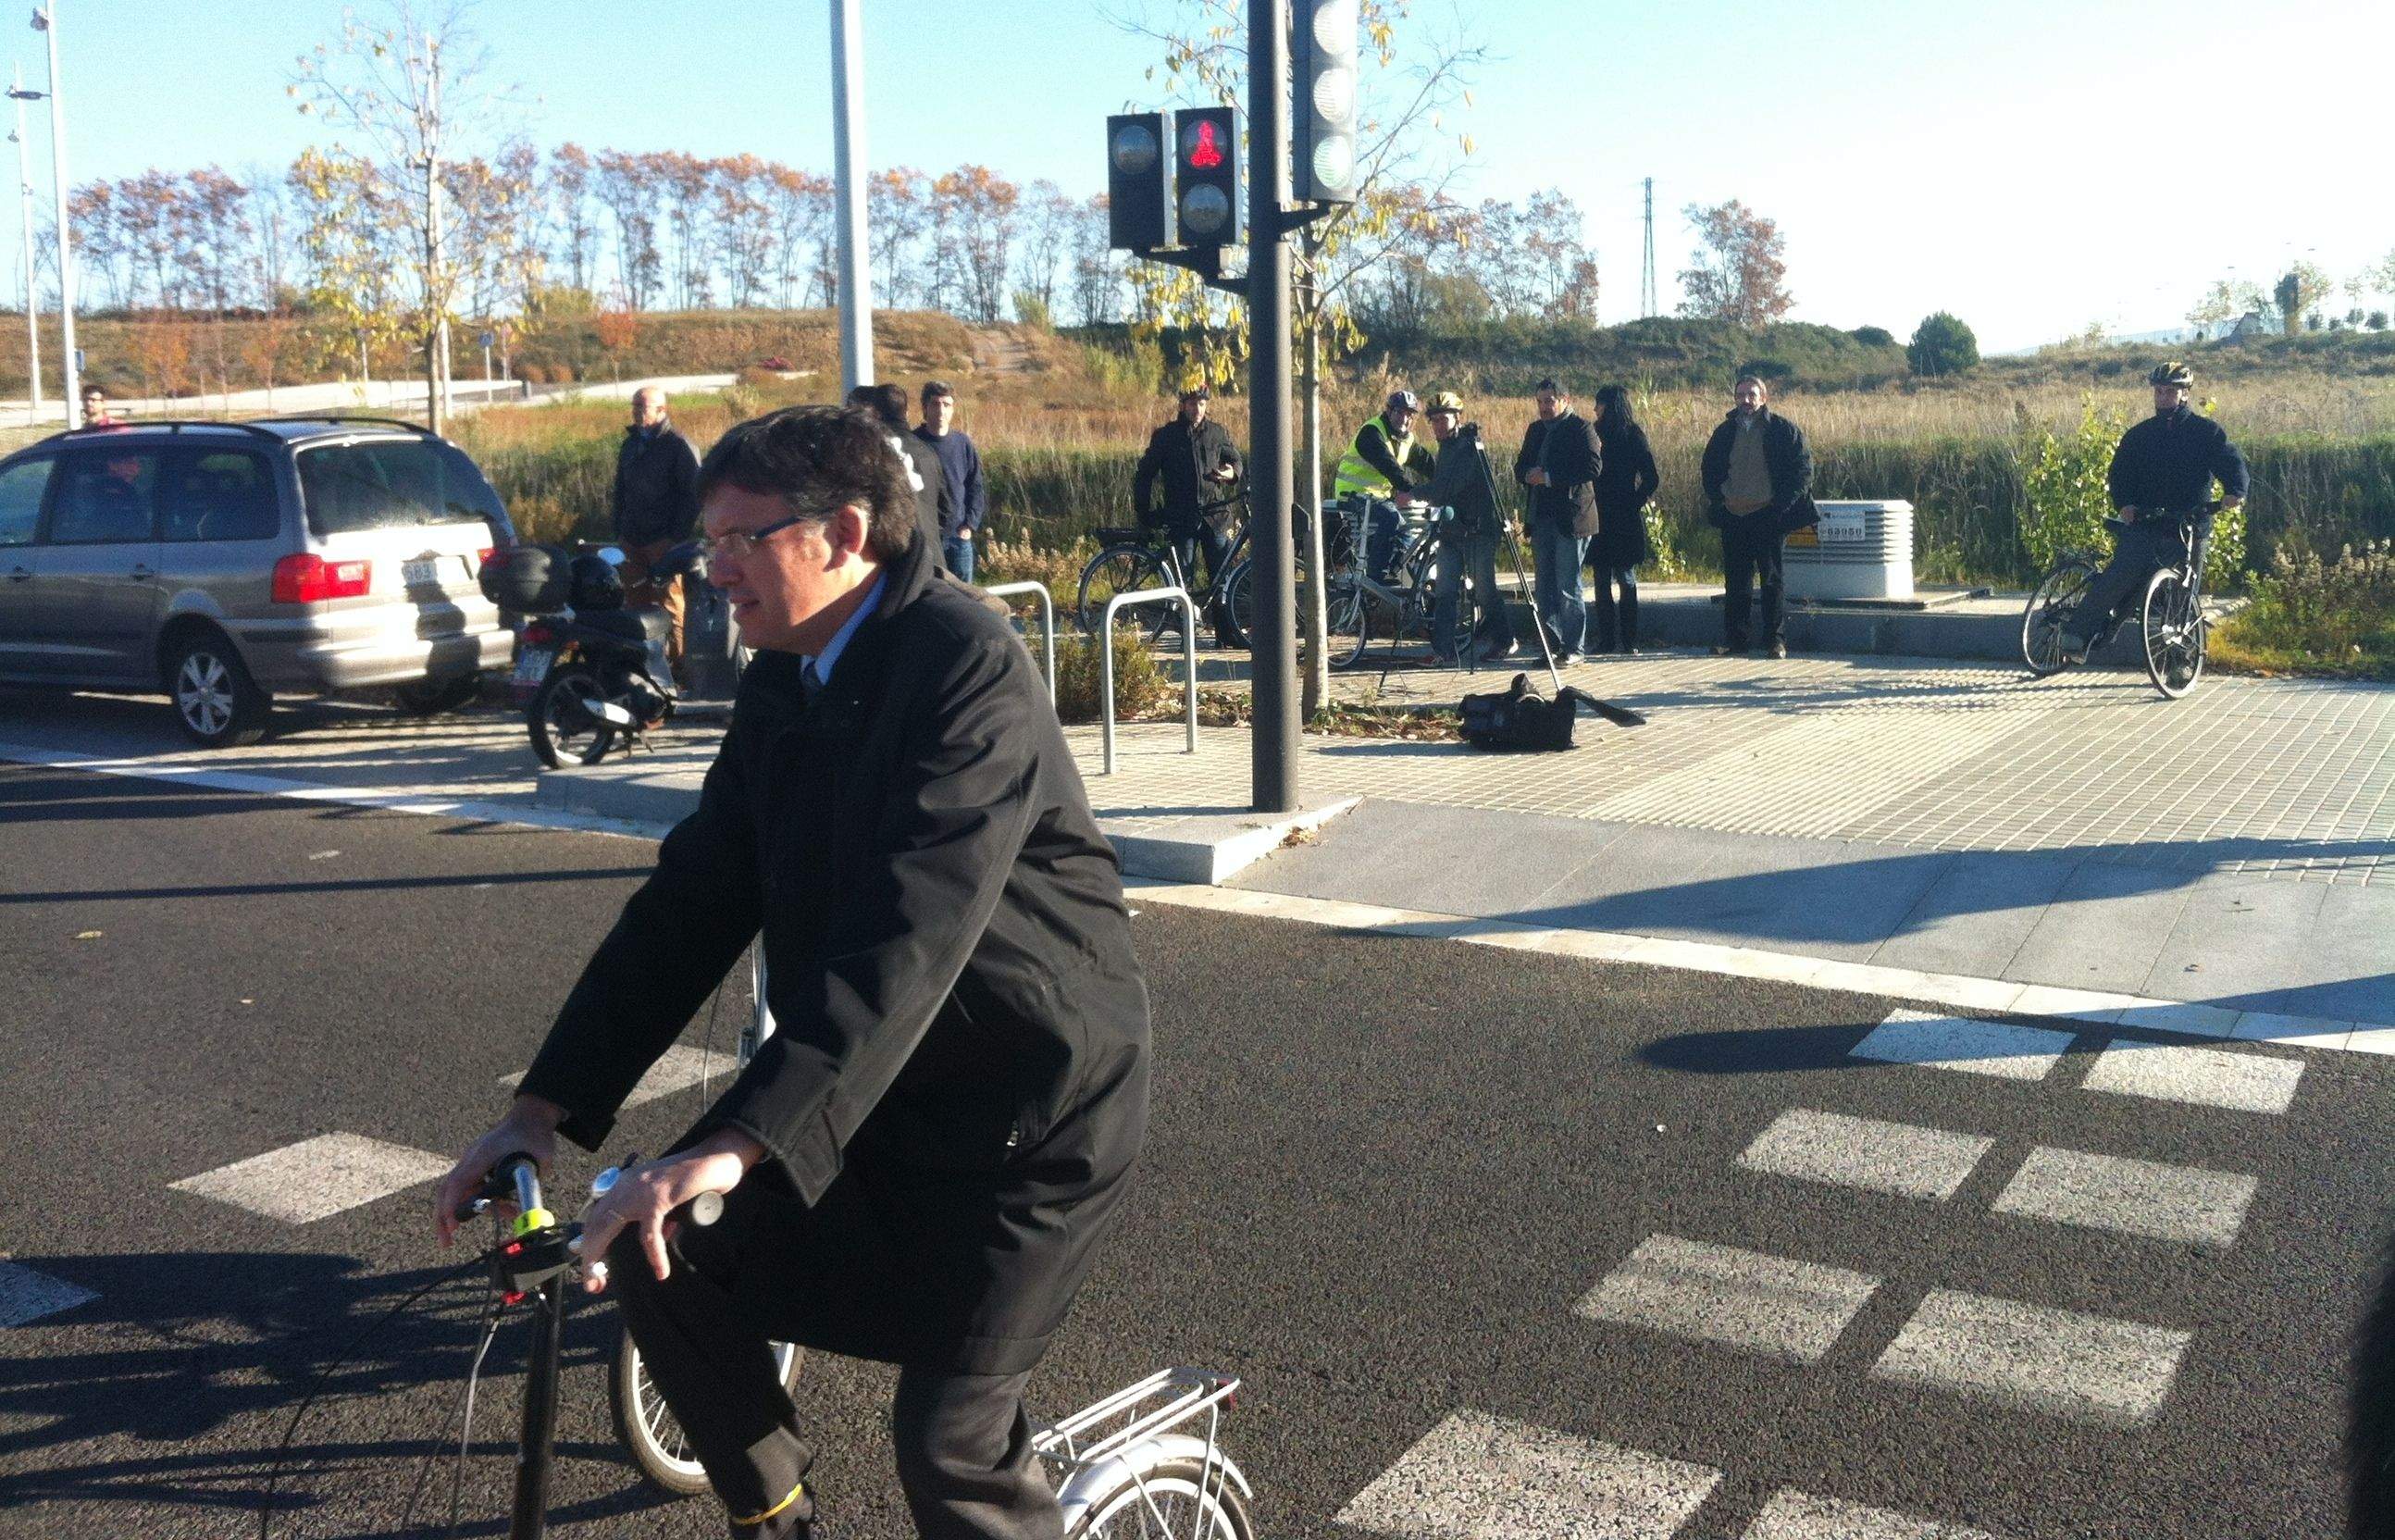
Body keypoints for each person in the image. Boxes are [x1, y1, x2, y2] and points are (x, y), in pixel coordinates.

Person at [433, 405, 1151, 1540]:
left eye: (738, 539)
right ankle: (777, 1516)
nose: (710, 568)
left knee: (948, 1445)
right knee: (648, 1236)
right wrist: (541, 1106)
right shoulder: (788, 669)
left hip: (1024, 1110)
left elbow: (910, 928)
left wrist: (737, 1136)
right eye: (704, 542)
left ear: (845, 532)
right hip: (867, 1090)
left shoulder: (966, 663)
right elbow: (696, 895)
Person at [2061, 361, 2248, 657]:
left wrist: (2235, 492)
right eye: (2159, 391)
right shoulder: (2140, 435)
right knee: (2120, 576)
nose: (2162, 397)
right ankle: (2077, 634)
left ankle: (2179, 661)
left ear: (2184, 394)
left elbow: (2231, 463)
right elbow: (2119, 473)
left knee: (2183, 596)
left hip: (2189, 524)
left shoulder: (2206, 432)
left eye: (2170, 392)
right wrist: (2125, 504)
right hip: (2146, 522)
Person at [1698, 375, 1814, 659]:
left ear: (1764, 398)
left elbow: (1803, 470)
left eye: (1751, 395)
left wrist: (1781, 507)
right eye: (1741, 395)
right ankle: (1737, 640)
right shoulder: (1725, 431)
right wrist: (1720, 500)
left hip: (1769, 515)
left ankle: (1775, 641)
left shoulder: (1782, 430)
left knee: (1772, 580)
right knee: (1736, 581)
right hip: (1734, 515)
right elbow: (1709, 469)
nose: (1746, 400)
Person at [1397, 391, 1514, 664]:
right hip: (1451, 531)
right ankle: (1443, 651)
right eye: (1434, 420)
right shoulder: (1447, 448)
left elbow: (1448, 488)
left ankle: (1505, 640)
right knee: (1444, 591)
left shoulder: (1468, 448)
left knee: (1485, 591)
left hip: (1477, 532)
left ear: (1457, 418)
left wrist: (1414, 493)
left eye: (1443, 419)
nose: (1438, 425)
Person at [611, 386, 703, 682]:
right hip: (632, 538)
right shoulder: (630, 445)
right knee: (635, 603)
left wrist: (674, 538)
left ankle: (677, 669)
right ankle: (641, 664)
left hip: (664, 540)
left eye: (643, 406)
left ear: (662, 410)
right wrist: (620, 531)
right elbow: (620, 492)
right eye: (635, 405)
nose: (637, 411)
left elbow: (694, 496)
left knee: (669, 604)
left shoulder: (678, 445)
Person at [1514, 379, 1602, 664]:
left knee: (1568, 585)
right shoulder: (1535, 430)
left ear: (1564, 399)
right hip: (1540, 517)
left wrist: (1550, 477)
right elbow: (1521, 465)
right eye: (1540, 402)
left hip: (1571, 519)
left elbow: (1592, 467)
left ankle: (1574, 648)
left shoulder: (1581, 428)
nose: (1544, 408)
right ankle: (1550, 645)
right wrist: (1528, 474)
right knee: (1544, 587)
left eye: (1549, 401)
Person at [1132, 384, 1242, 597]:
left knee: (1221, 582)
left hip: (1214, 515)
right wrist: (1143, 512)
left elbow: (1235, 459)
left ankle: (1223, 627)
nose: (1198, 409)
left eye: (1202, 404)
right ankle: (1186, 622)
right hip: (1181, 517)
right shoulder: (1167, 436)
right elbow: (1145, 473)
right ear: (1182, 406)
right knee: (1183, 583)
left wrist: (1231, 474)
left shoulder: (1216, 433)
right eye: (1193, 404)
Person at [1334, 390, 1436, 583]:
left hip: (1378, 497)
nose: (1404, 419)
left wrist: (1445, 482)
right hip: (1353, 494)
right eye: (1399, 412)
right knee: (1391, 518)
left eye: (1410, 415)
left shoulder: (1406, 439)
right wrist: (1412, 491)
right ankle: (1375, 576)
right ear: (1388, 411)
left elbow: (1428, 464)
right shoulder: (1371, 433)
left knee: (1413, 526)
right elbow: (1389, 467)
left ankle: (1394, 564)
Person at [1589, 384, 1659, 654]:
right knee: (1601, 578)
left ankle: (1629, 640)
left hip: (1624, 517)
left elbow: (1651, 477)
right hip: (1597, 514)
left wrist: (1634, 502)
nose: (1596, 409)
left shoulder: (1633, 434)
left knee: (1625, 578)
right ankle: (1607, 639)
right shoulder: (1593, 433)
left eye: (1600, 403)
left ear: (1610, 405)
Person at [850, 382, 946, 559]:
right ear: (906, 412)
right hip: (934, 558)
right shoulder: (928, 452)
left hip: (902, 565)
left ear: (875, 414)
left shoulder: (875, 453)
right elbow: (945, 509)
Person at [914, 381, 987, 583]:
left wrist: (969, 525)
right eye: (935, 404)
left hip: (958, 537)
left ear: (953, 409)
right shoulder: (914, 443)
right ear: (925, 407)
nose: (941, 410)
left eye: (946, 405)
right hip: (926, 538)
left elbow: (976, 486)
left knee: (964, 598)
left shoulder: (962, 443)